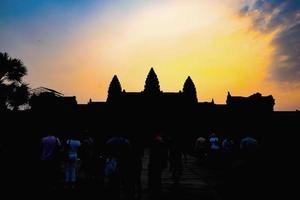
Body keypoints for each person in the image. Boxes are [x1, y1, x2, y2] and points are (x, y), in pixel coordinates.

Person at [148, 131, 168, 197]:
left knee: (154, 175)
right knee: (157, 176)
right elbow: (164, 154)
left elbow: (152, 154)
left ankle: (154, 188)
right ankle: (157, 189)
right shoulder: (161, 141)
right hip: (158, 162)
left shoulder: (155, 141)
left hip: (154, 162)